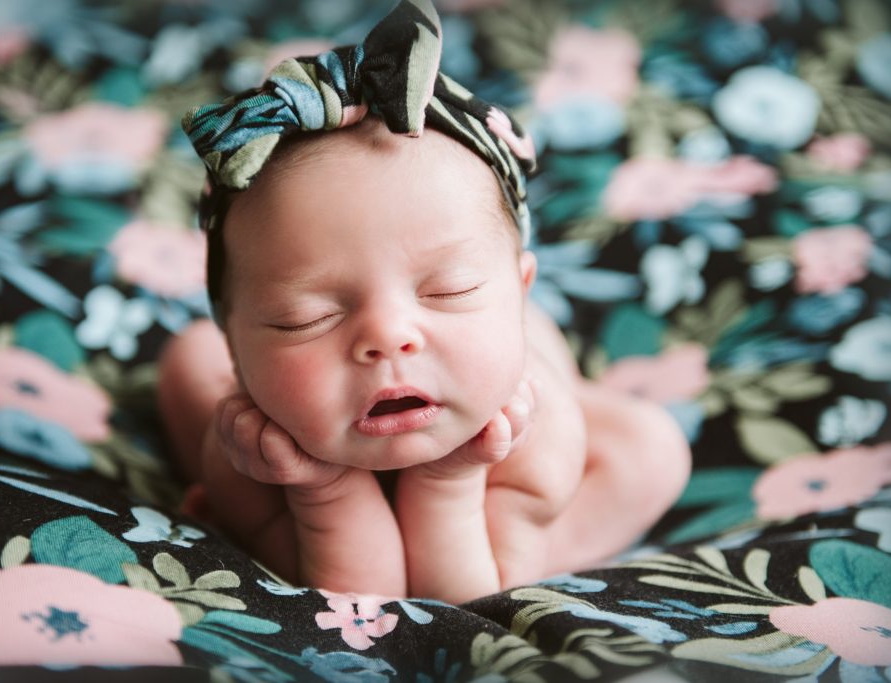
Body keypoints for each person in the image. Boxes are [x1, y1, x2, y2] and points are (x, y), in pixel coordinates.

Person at [158, 0, 690, 604]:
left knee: (651, 452)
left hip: (534, 454)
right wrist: (322, 490)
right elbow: (360, 601)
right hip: (286, 432)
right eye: (305, 317)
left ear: (519, 291)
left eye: (450, 289)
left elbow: (457, 599)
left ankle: (545, 550)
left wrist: (450, 480)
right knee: (183, 361)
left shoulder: (534, 438)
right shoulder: (253, 450)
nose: (388, 335)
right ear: (237, 340)